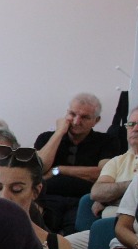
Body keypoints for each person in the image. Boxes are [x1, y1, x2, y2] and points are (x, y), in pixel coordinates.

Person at [68, 104, 138, 249]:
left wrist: (111, 197)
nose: (135, 128)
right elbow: (97, 193)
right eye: (131, 124)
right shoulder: (117, 161)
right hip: (106, 230)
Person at [34, 92, 124, 233]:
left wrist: (59, 170)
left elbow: (104, 173)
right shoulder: (46, 138)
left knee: (73, 235)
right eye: (72, 114)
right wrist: (59, 133)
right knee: (41, 231)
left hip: (83, 201)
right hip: (48, 198)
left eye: (84, 117)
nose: (76, 121)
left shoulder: (108, 141)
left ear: (96, 120)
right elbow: (39, 167)